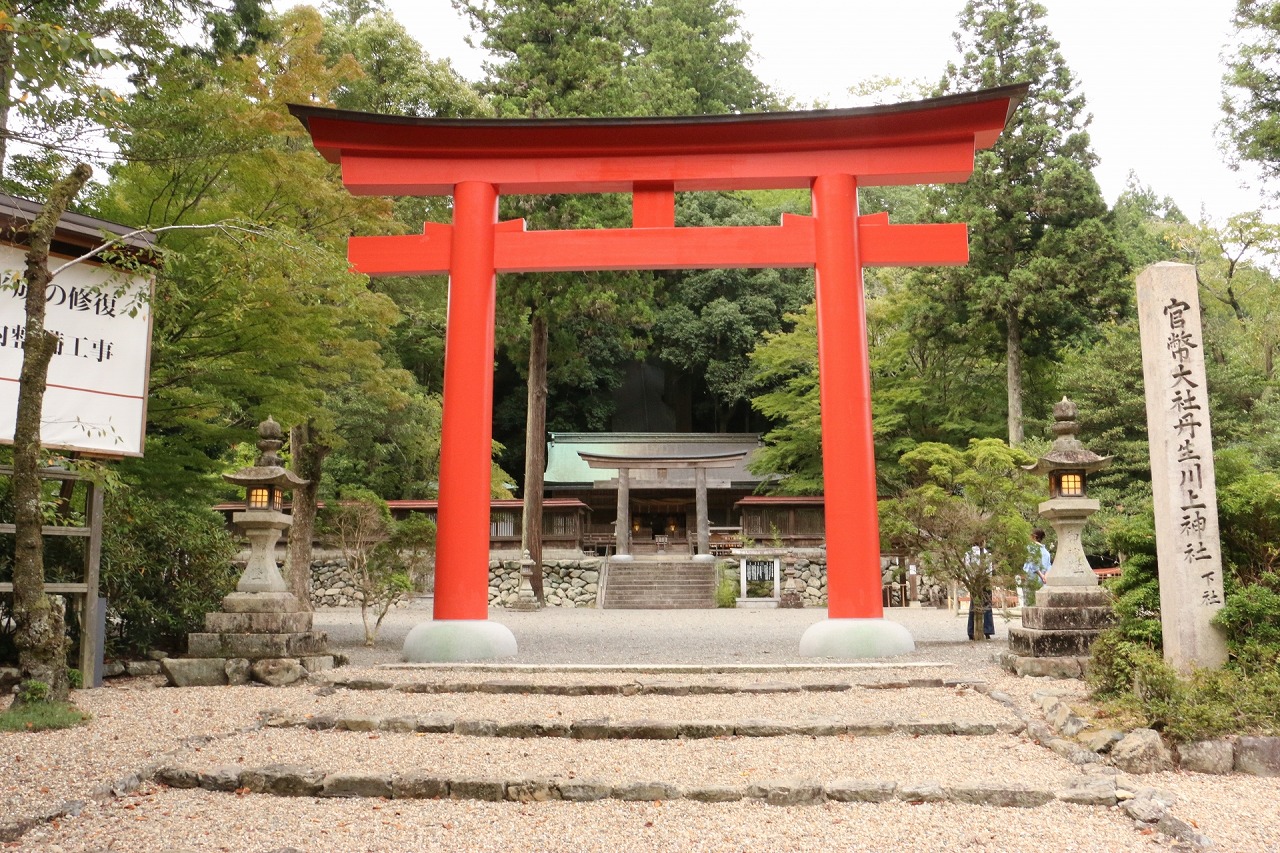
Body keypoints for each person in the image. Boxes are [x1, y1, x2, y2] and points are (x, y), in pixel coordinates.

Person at [964, 545, 995, 640]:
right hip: (984, 579)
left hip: (973, 579)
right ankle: (987, 630)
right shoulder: (986, 554)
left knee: (974, 605)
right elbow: (989, 570)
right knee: (987, 604)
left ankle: (971, 630)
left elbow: (966, 568)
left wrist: (969, 580)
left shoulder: (969, 554)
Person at [1018, 529, 1052, 607]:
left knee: (1029, 603)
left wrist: (1041, 575)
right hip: (1042, 581)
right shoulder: (1046, 552)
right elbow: (1049, 566)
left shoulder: (1030, 548)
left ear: (1034, 537)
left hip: (1031, 578)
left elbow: (1033, 564)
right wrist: (1045, 576)